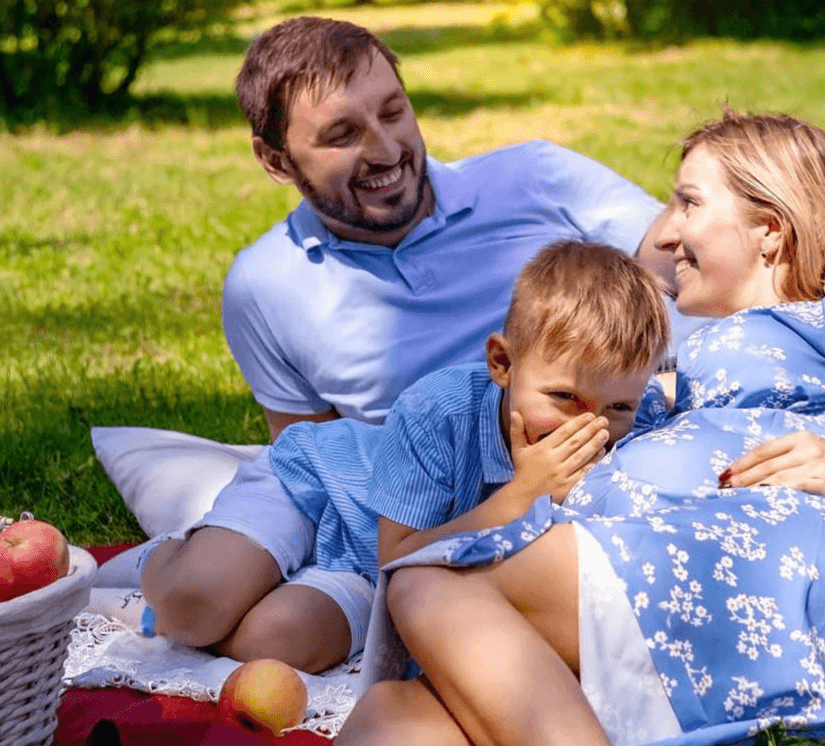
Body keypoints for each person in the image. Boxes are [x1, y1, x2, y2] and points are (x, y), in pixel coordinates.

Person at [339, 111, 825, 746]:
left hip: (759, 579)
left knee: (426, 586)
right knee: (391, 719)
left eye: (689, 202)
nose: (664, 230)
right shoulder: (674, 368)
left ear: (770, 230)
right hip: (645, 589)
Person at [223, 16, 825, 443]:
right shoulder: (265, 289)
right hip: (599, 458)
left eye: (394, 111)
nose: (386, 149)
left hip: (720, 356)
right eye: (341, 135)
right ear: (273, 158)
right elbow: (314, 465)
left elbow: (682, 248)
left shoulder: (530, 175)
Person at [140, 240, 669, 674]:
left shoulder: (627, 424)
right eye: (565, 397)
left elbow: (389, 574)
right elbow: (399, 551)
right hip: (325, 494)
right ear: (502, 363)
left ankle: (262, 580)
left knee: (277, 642)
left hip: (374, 576)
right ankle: (164, 555)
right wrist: (521, 496)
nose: (591, 425)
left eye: (618, 405)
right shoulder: (437, 411)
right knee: (193, 608)